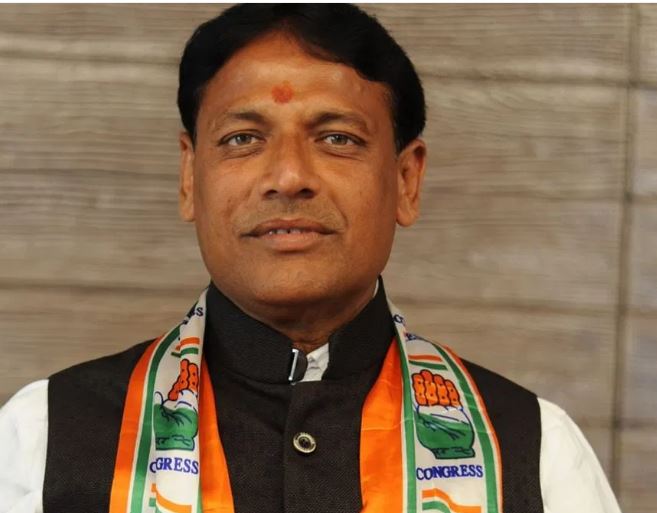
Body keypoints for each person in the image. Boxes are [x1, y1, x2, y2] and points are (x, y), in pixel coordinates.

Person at [0, 4, 622, 513]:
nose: (289, 176)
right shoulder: (43, 440)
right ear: (190, 177)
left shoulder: (532, 450)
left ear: (406, 180)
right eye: (243, 138)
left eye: (336, 138)